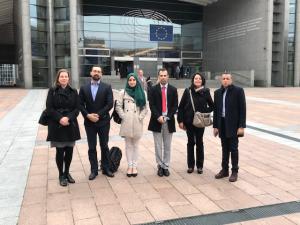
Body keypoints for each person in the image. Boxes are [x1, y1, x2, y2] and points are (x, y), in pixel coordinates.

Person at [46, 69, 81, 186]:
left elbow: (77, 108)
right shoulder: (53, 91)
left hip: (70, 124)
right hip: (57, 125)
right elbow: (49, 108)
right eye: (62, 76)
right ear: (58, 78)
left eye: (66, 76)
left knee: (70, 151)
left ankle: (67, 173)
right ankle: (61, 174)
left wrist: (68, 118)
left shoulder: (73, 91)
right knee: (60, 151)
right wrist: (60, 118)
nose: (64, 78)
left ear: (68, 78)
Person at [79, 65, 114, 180]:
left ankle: (106, 168)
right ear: (91, 73)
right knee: (91, 147)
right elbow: (80, 104)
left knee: (104, 146)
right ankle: (94, 170)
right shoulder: (84, 88)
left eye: (99, 71)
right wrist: (88, 115)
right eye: (95, 71)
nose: (96, 73)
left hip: (103, 121)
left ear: (101, 74)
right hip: (89, 123)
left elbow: (109, 104)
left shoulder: (107, 87)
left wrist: (98, 115)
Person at [177, 73, 214, 174]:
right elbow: (180, 107)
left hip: (200, 122)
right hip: (189, 121)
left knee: (199, 143)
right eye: (196, 78)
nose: (197, 80)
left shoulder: (206, 91)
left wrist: (205, 111)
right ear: (193, 80)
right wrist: (180, 121)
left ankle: (200, 166)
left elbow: (212, 106)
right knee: (190, 143)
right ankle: (190, 165)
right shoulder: (188, 91)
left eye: (199, 79)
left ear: (202, 80)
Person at [213, 72, 246, 182]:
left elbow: (242, 109)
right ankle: (224, 170)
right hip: (222, 124)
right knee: (224, 148)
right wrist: (215, 126)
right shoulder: (217, 93)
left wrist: (241, 126)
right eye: (224, 78)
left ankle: (234, 171)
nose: (225, 80)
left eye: (227, 78)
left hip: (233, 125)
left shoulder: (238, 91)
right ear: (221, 80)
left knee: (233, 148)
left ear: (231, 80)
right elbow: (216, 110)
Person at [115, 73, 148, 177]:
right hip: (127, 122)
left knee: (136, 145)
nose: (132, 82)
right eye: (130, 80)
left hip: (137, 121)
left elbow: (145, 108)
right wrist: (124, 116)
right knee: (128, 145)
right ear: (128, 81)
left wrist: (140, 117)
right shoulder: (123, 92)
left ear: (137, 81)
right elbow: (118, 106)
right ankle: (129, 166)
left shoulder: (143, 92)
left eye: (134, 80)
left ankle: (135, 165)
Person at [148, 68, 178, 177]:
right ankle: (160, 165)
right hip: (157, 120)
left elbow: (175, 106)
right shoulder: (153, 89)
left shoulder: (173, 90)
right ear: (158, 77)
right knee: (158, 145)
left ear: (168, 76)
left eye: (165, 75)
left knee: (167, 145)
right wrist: (158, 116)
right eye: (161, 75)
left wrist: (168, 117)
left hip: (168, 121)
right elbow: (152, 105)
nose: (163, 77)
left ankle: (166, 166)